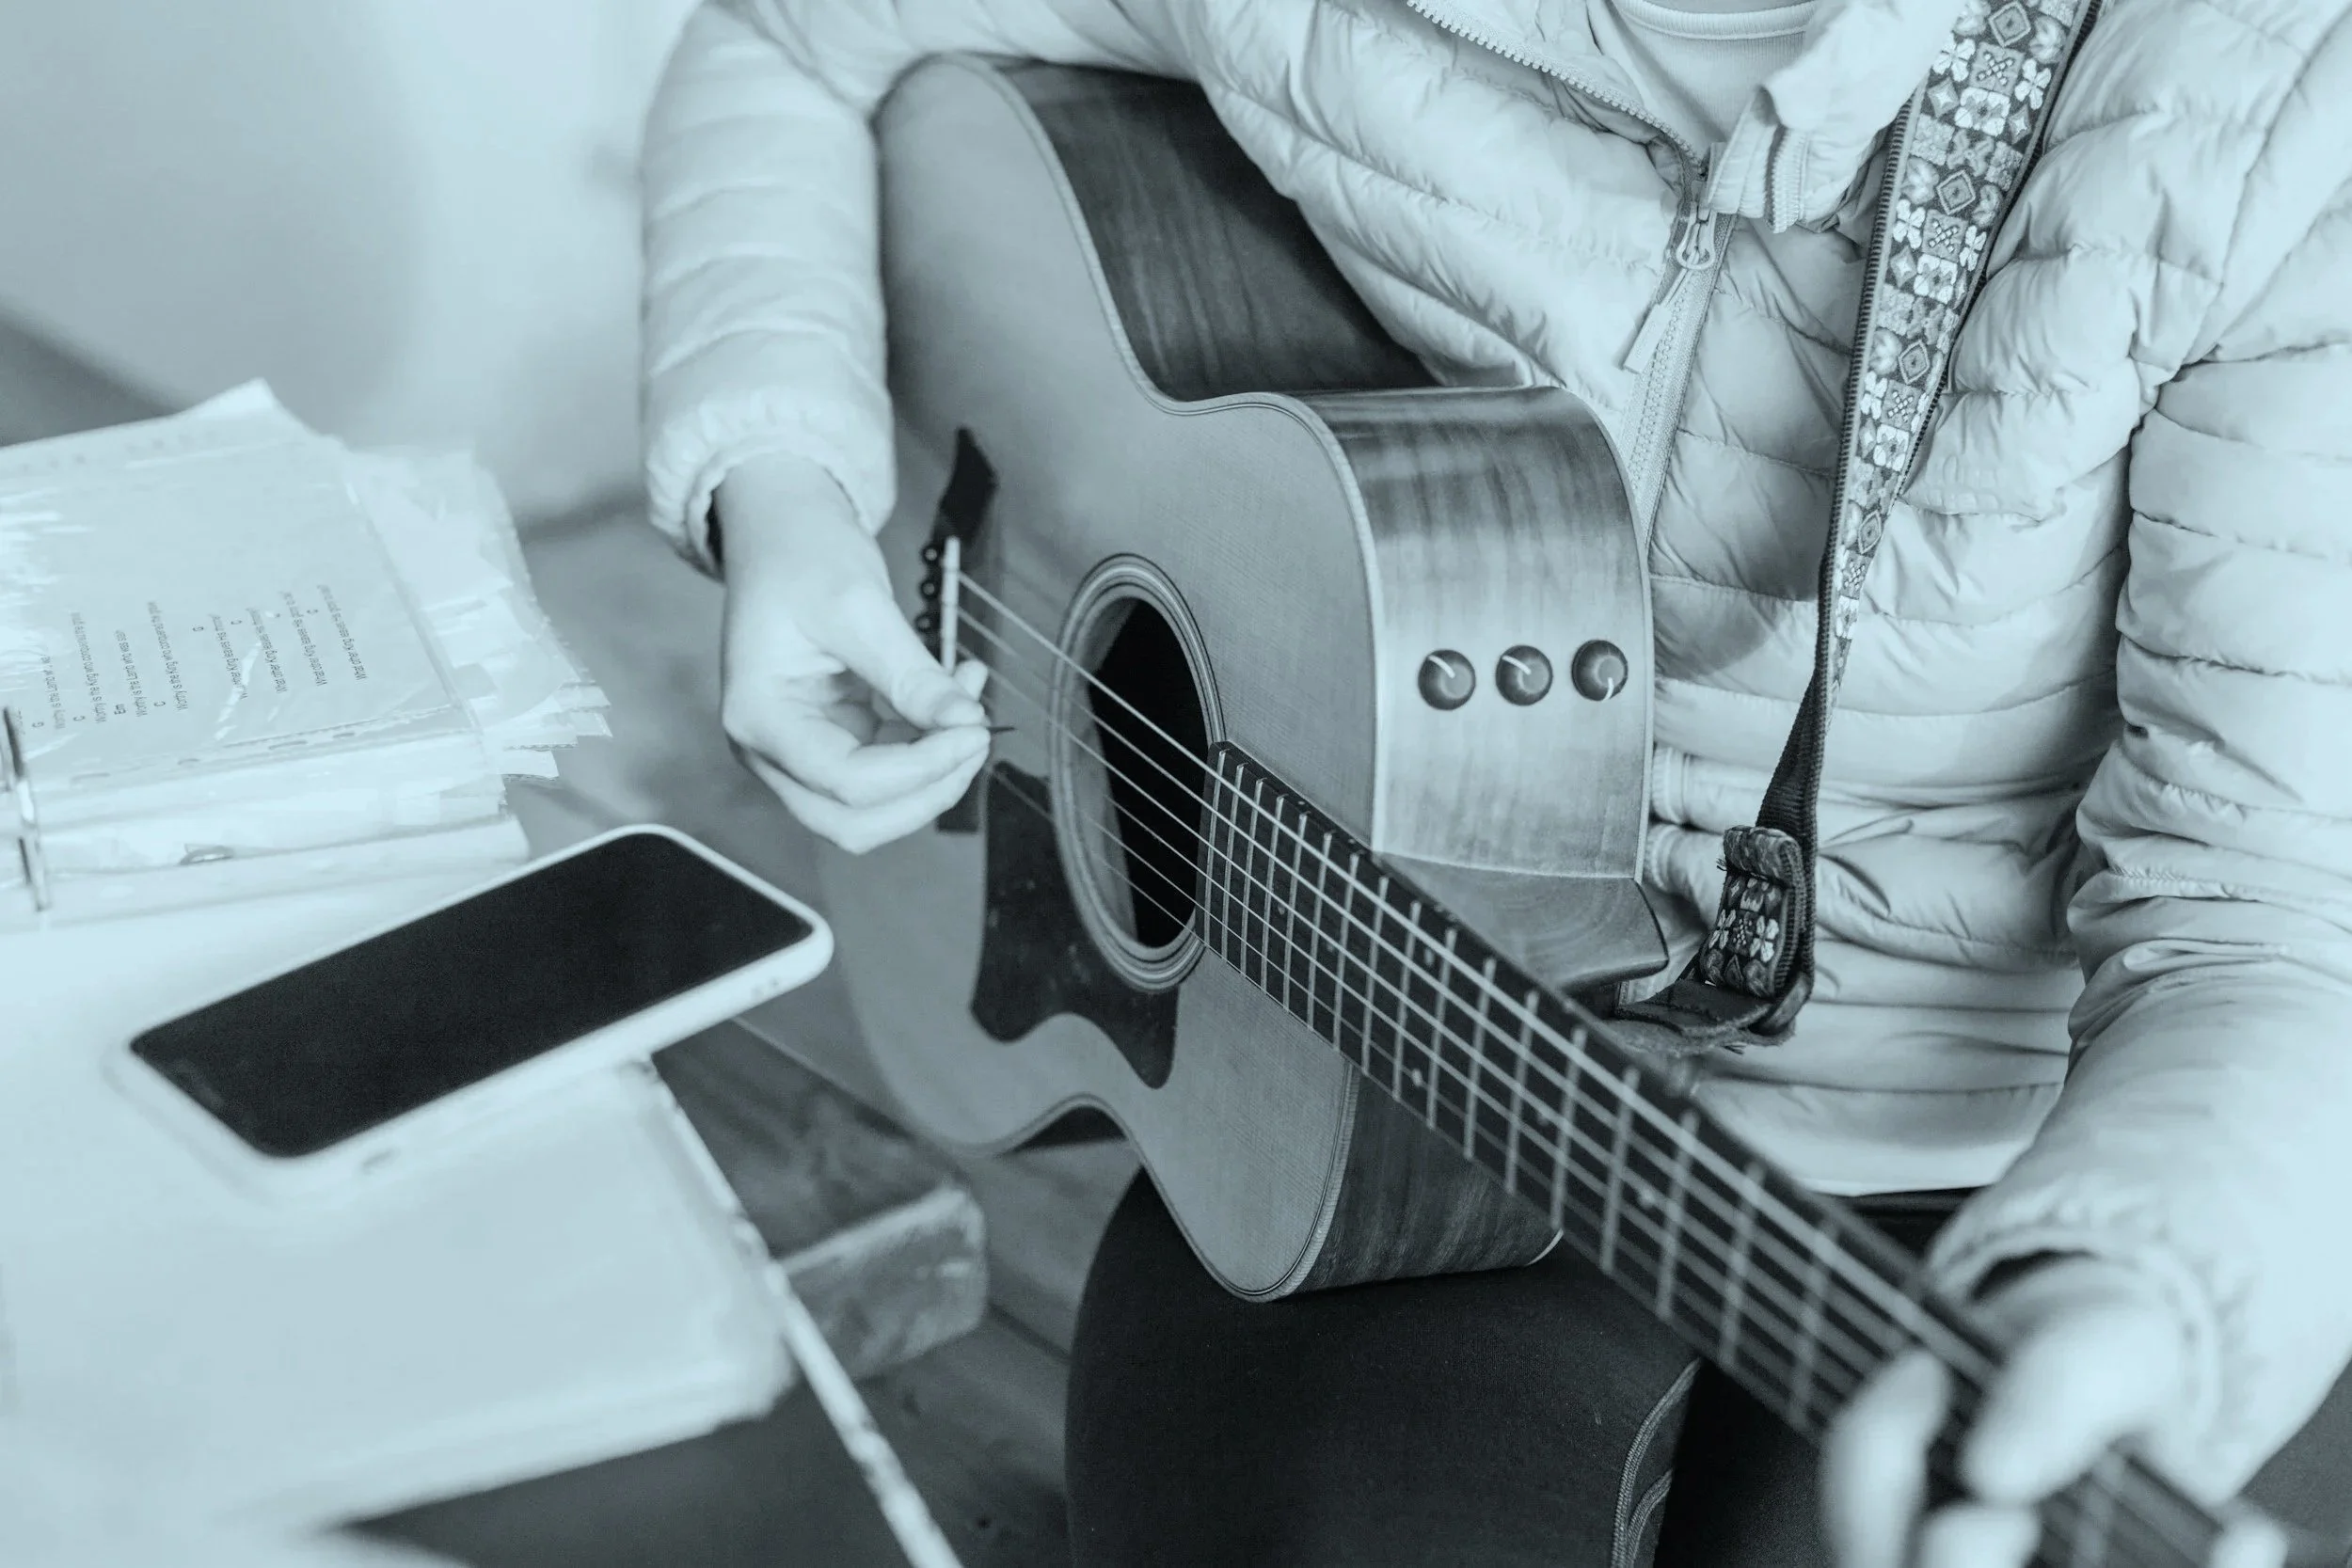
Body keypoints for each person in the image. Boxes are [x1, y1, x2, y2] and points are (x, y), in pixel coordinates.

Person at [635, 0, 2352, 1561]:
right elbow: (793, 40)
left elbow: (2271, 917)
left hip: (1999, 1145)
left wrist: (2133, 1279)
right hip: (1378, 1060)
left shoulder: (2260, 95)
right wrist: (782, 489)